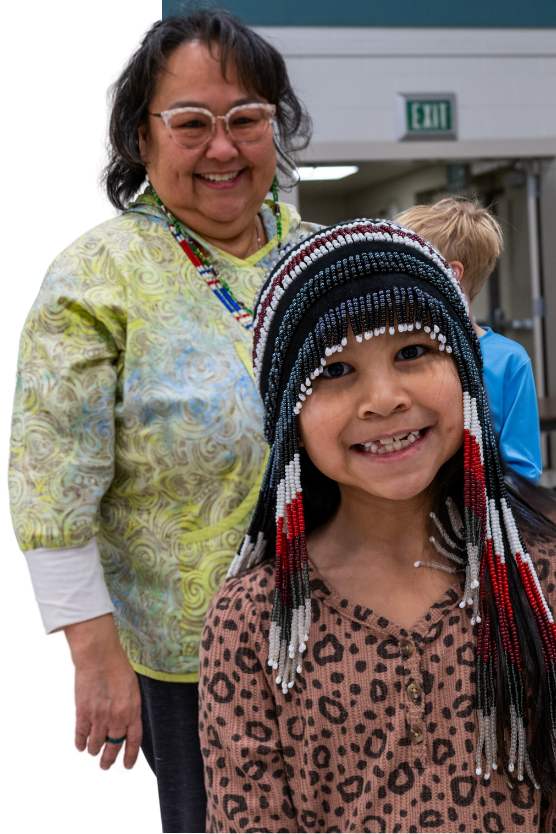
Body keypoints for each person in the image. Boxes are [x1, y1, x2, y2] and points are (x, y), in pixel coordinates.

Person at [7, 7, 320, 832]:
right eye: (191, 124)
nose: (224, 148)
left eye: (247, 120)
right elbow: (48, 485)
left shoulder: (329, 257)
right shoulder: (95, 275)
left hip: (351, 641)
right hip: (191, 667)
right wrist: (93, 654)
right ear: (140, 140)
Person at [199, 219, 556, 832]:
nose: (383, 398)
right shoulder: (254, 619)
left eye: (412, 353)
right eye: (335, 371)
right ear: (288, 417)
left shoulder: (541, 577)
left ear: (466, 371)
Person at [395, 197, 542, 484]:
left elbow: (523, 471)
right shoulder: (401, 355)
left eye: (405, 268)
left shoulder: (508, 361)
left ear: (450, 274)